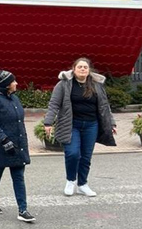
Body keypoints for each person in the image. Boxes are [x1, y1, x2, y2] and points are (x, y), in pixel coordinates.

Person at [43, 57, 116, 197]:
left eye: (85, 67)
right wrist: (48, 122)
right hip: (71, 125)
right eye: (80, 67)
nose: (83, 69)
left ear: (89, 70)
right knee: (72, 154)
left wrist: (111, 123)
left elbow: (105, 106)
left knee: (86, 157)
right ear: (73, 69)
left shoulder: (97, 85)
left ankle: (82, 184)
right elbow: (54, 104)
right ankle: (71, 180)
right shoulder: (64, 84)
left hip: (91, 125)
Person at [0, 70, 35, 223]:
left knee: (18, 176)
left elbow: (20, 122)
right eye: (13, 81)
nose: (16, 83)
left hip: (17, 144)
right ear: (6, 85)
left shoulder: (14, 98)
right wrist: (4, 141)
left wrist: (22, 142)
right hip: (1, 145)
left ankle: (23, 210)